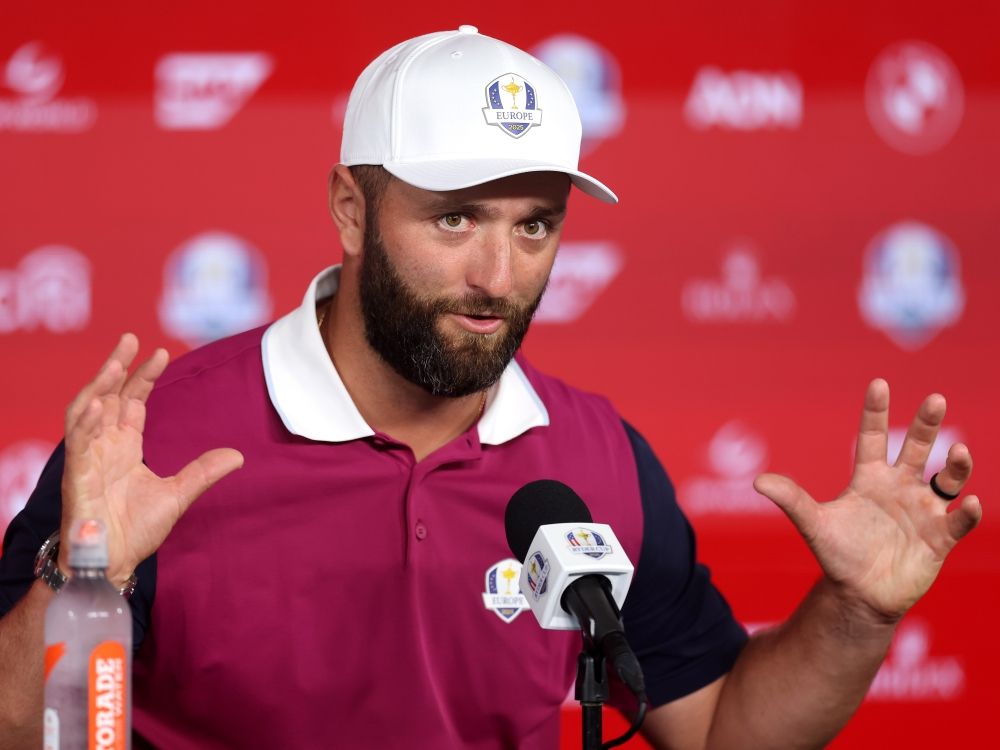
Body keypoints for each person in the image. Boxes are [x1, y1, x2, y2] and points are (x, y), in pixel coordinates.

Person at [0, 26, 982, 750]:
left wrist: (856, 613)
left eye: (533, 225)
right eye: (456, 218)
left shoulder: (594, 457)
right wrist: (86, 583)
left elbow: (721, 728)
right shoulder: (158, 439)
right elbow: (22, 726)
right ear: (351, 207)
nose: (499, 278)